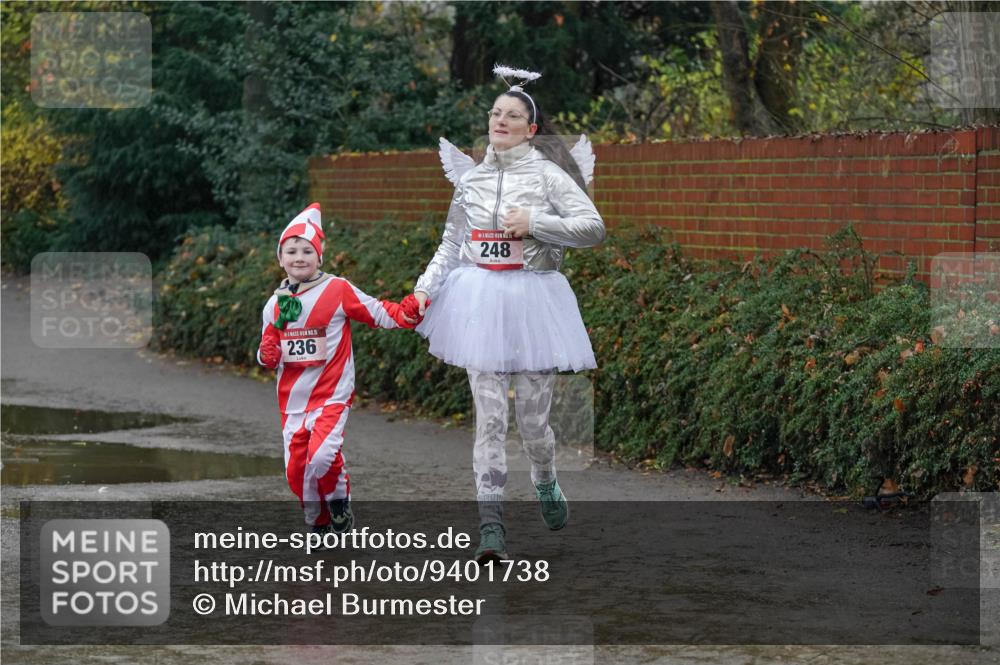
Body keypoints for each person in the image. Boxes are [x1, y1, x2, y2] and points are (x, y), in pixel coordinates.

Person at [410, 65, 605, 562]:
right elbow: (452, 244)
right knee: (490, 419)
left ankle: (545, 481)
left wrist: (537, 222)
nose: (500, 119)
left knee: (533, 422)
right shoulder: (471, 180)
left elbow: (593, 227)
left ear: (530, 129)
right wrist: (422, 293)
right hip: (480, 303)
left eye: (512, 114)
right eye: (496, 112)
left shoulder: (548, 176)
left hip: (534, 302)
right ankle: (491, 525)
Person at [258, 203, 420, 534]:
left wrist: (408, 312)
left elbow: (378, 312)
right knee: (296, 472)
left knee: (320, 458)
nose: (299, 257)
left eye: (307, 250)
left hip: (331, 394)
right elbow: (266, 355)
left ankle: (339, 499)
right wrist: (267, 352)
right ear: (280, 258)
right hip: (291, 402)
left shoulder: (337, 289)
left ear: (319, 256)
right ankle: (317, 523)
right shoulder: (274, 304)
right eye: (291, 250)